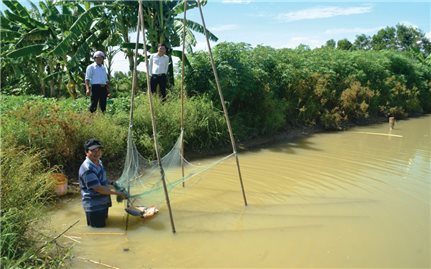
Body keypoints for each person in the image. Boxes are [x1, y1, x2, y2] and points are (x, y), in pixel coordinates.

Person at [78, 138, 127, 228]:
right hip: (94, 207)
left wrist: (112, 183)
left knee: (106, 226)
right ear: (86, 152)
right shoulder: (87, 169)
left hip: (102, 204)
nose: (97, 153)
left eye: (99, 150)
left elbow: (101, 179)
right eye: (93, 151)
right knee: (97, 232)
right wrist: (118, 193)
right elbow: (98, 188)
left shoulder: (98, 162)